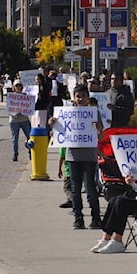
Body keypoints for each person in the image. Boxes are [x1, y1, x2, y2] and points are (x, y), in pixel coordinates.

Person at [48, 83, 103, 229]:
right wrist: (52, 124)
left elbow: (101, 134)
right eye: (78, 96)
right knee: (75, 189)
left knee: (91, 188)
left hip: (90, 156)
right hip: (73, 156)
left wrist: (98, 128)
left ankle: (96, 218)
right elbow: (56, 132)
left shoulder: (93, 113)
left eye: (83, 96)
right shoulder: (66, 113)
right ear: (74, 98)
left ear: (87, 97)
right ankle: (78, 218)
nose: (80, 99)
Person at [8, 81, 32, 162]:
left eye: (20, 85)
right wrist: (15, 114)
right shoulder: (11, 96)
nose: (18, 87)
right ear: (14, 87)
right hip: (14, 120)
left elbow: (30, 106)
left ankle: (31, 151)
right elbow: (9, 109)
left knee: (30, 137)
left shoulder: (25, 96)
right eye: (16, 85)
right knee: (15, 138)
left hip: (24, 119)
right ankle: (15, 154)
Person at [57, 145, 73, 209]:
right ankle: (70, 200)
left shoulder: (63, 145)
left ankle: (73, 200)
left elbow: (61, 157)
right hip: (77, 170)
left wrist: (59, 169)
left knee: (67, 188)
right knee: (74, 188)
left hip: (68, 171)